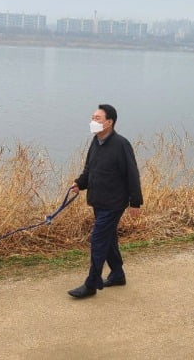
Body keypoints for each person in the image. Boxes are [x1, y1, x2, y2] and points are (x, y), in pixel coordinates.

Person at [68, 104, 143, 298]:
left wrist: (136, 202)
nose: (93, 121)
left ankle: (92, 283)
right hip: (98, 200)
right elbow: (90, 169)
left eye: (98, 118)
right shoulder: (95, 141)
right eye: (92, 117)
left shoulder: (121, 144)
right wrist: (79, 183)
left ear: (109, 122)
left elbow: (132, 174)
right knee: (108, 238)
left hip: (114, 203)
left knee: (98, 239)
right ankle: (117, 274)